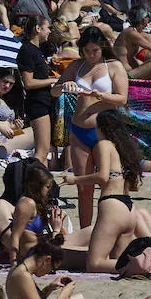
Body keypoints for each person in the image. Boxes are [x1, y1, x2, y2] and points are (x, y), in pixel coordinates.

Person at [57, 110, 151, 274]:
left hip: (112, 207)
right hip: (129, 209)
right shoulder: (124, 149)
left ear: (101, 128)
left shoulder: (104, 145)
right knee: (117, 259)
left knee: (94, 264)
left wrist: (75, 180)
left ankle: (143, 267)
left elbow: (103, 176)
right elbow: (133, 186)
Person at [54, 27, 129, 227]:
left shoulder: (114, 66)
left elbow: (122, 98)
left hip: (103, 131)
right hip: (79, 129)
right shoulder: (77, 66)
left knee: (108, 183)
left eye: (95, 50)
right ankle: (85, 231)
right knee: (83, 187)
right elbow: (54, 91)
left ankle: (106, 228)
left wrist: (99, 95)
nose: (91, 55)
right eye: (87, 51)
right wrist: (64, 87)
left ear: (102, 47)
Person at [17, 14, 56, 164]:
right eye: (47, 28)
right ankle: (31, 182)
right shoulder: (27, 50)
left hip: (43, 101)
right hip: (37, 103)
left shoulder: (36, 50)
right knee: (41, 151)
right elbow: (28, 83)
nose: (49, 32)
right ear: (38, 29)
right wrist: (52, 80)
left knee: (44, 150)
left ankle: (40, 182)